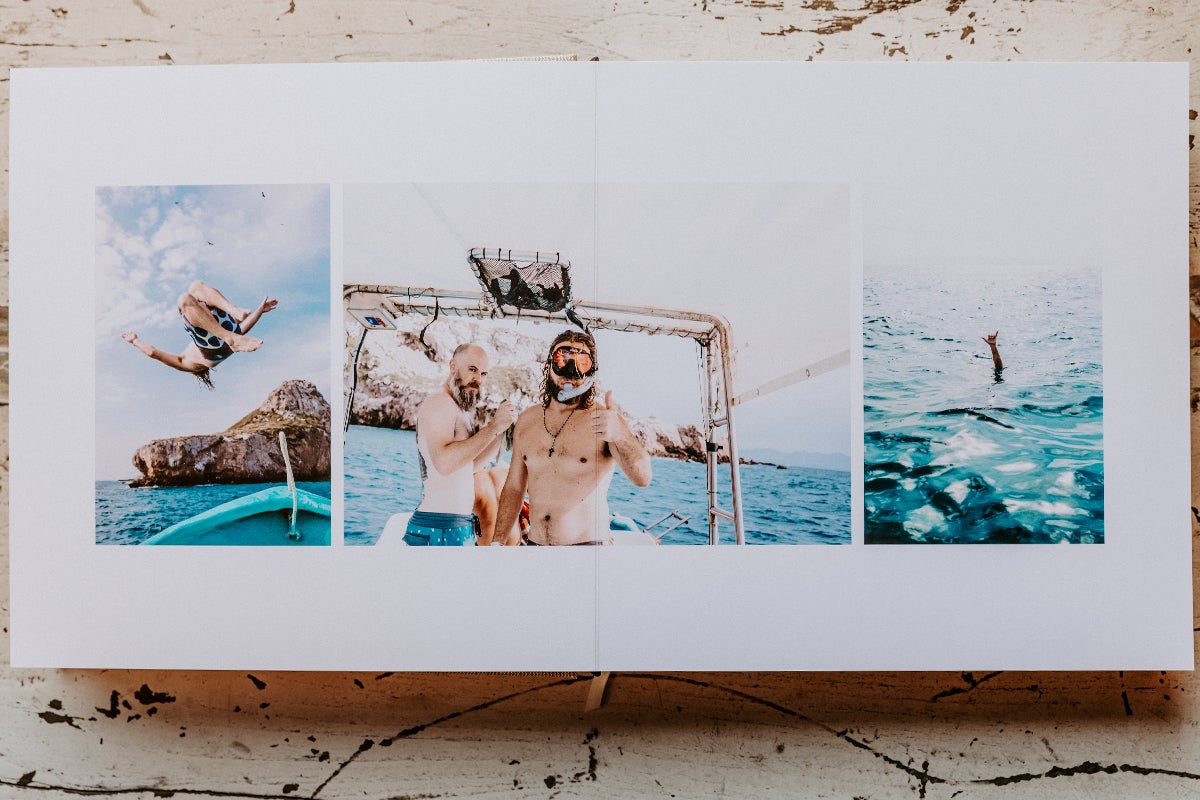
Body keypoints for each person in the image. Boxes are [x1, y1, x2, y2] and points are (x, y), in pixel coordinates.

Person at [494, 330, 652, 546]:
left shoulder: (604, 419)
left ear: (591, 372)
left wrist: (620, 435)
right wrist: (497, 542)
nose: (570, 371)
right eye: (563, 359)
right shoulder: (527, 420)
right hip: (535, 545)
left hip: (586, 549)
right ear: (549, 365)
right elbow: (514, 487)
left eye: (581, 362)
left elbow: (642, 478)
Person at [405, 343, 517, 546]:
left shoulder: (461, 410)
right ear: (453, 365)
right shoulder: (439, 403)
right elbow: (445, 463)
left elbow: (470, 466)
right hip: (438, 525)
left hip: (457, 525)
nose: (478, 380)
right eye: (472, 370)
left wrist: (501, 431)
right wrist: (492, 427)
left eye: (483, 374)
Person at [122, 280, 278, 390]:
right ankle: (234, 312)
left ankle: (235, 312)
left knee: (191, 292)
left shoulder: (188, 362)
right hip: (229, 331)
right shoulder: (189, 363)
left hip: (227, 337)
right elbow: (241, 331)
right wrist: (259, 310)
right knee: (190, 292)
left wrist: (135, 341)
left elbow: (152, 353)